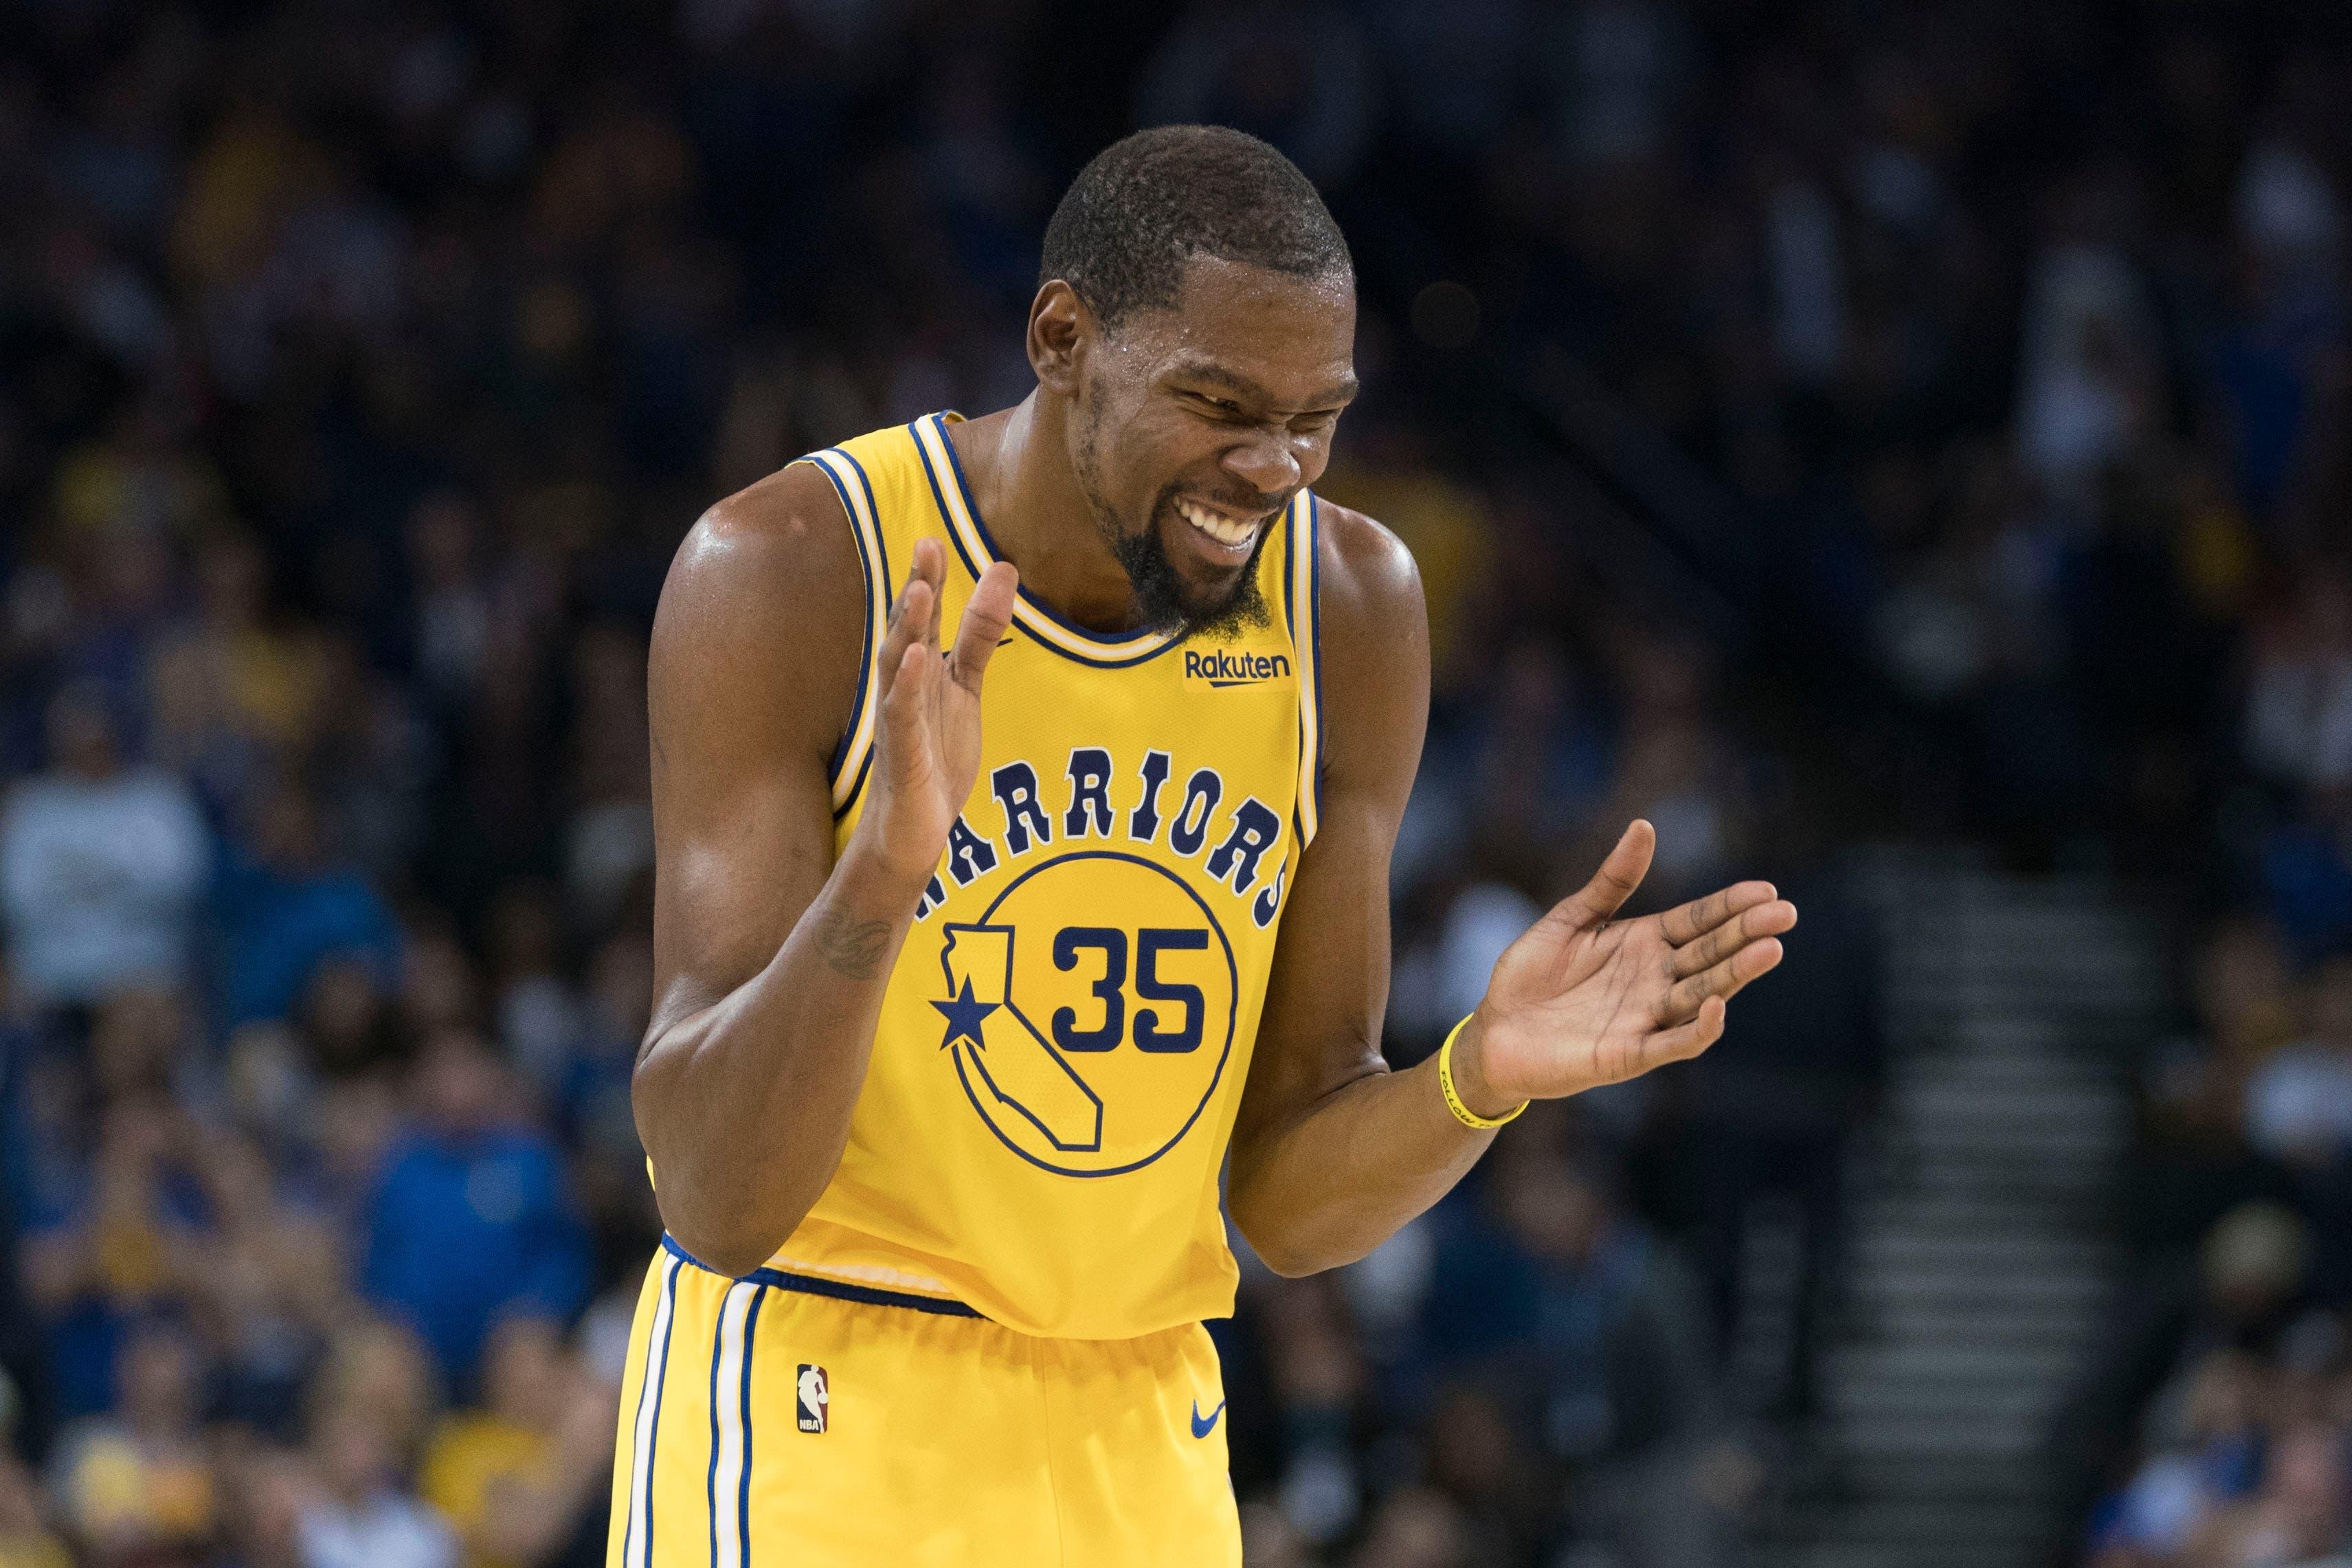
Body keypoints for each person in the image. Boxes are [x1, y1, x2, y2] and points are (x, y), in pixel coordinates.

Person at [618, 125, 1799, 1566]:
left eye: (1316, 416)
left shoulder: (1349, 604)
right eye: (1220, 403)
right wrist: (879, 883)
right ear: (1062, 336)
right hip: (826, 1391)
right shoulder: (794, 569)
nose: (1273, 466)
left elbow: (1286, 1203)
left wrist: (1474, 1077)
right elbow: (712, 1195)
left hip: (1146, 1415)